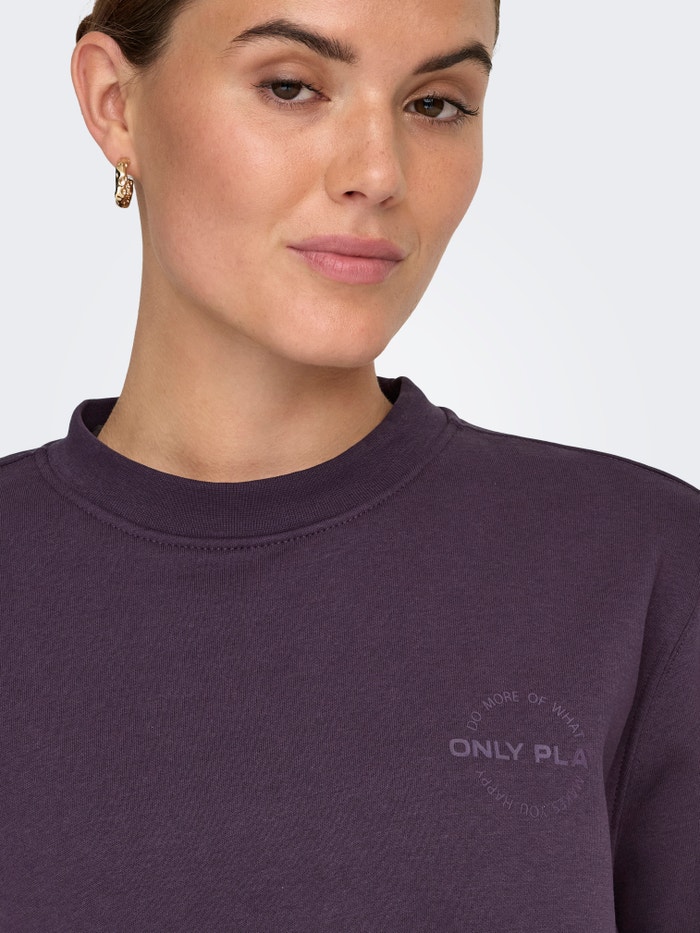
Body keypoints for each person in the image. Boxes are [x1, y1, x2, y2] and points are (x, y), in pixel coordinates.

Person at [0, 1, 697, 930]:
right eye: (292, 87)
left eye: (436, 104)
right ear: (114, 104)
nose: (378, 173)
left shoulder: (643, 570)